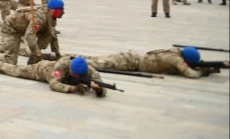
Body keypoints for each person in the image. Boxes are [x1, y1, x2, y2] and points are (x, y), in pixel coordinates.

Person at [0, 0, 64, 65]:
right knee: (10, 62)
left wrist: (57, 54)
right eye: (61, 10)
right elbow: (29, 36)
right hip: (11, 29)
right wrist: (37, 53)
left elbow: (52, 34)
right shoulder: (39, 18)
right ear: (53, 10)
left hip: (23, 29)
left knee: (47, 33)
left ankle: (33, 58)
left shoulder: (50, 16)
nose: (63, 13)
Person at [0, 56, 107, 96]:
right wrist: (73, 89)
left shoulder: (87, 68)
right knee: (15, 70)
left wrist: (99, 89)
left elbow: (100, 82)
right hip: (40, 70)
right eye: (75, 76)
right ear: (70, 70)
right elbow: (54, 84)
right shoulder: (62, 66)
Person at [83, 46, 229, 79]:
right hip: (130, 61)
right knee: (98, 63)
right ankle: (70, 60)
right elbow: (191, 74)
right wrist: (203, 71)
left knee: (99, 60)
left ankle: (73, 58)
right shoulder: (175, 59)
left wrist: (212, 67)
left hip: (132, 60)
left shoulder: (176, 53)